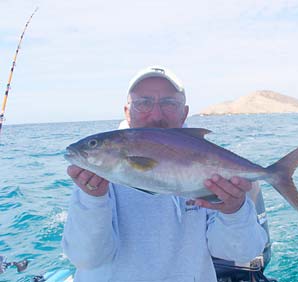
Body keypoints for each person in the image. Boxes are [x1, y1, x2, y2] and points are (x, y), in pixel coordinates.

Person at [62, 66, 268, 282]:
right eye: (143, 103)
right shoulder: (98, 177)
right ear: (127, 111)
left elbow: (241, 253)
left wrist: (233, 211)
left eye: (169, 103)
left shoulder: (208, 162)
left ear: (185, 112)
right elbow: (86, 259)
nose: (156, 114)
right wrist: (93, 199)